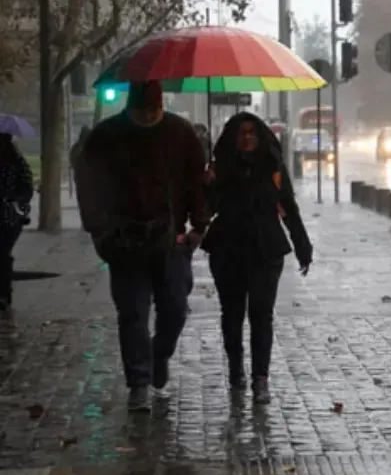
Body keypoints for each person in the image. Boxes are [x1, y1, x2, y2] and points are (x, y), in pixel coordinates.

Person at [76, 81, 208, 412]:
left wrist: (198, 226)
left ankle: (158, 354)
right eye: (143, 111)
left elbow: (196, 181)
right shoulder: (106, 136)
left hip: (172, 238)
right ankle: (138, 382)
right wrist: (99, 231)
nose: (149, 116)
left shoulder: (181, 132)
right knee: (133, 313)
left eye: (155, 110)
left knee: (174, 308)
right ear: (130, 108)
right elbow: (88, 185)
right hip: (125, 239)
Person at [202, 112, 312, 404]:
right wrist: (208, 184)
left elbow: (287, 205)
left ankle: (260, 378)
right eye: (241, 132)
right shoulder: (220, 167)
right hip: (228, 247)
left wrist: (302, 245)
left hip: (266, 248)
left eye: (252, 131)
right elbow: (206, 209)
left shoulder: (272, 167)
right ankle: (236, 369)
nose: (247, 137)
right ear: (233, 137)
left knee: (261, 314)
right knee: (233, 313)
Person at [0, 134, 34, 310]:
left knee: (3, 254)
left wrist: (15, 202)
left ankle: (4, 293)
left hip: (9, 216)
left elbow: (27, 188)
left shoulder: (17, 163)